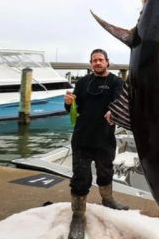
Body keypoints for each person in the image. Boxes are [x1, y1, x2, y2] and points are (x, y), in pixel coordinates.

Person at [64, 48, 128, 239]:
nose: (97, 63)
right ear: (91, 64)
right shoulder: (83, 82)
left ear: (107, 62)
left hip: (105, 139)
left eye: (101, 60)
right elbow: (74, 110)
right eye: (94, 60)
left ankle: (108, 200)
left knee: (106, 172)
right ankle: (77, 216)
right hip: (82, 138)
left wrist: (113, 111)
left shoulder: (117, 82)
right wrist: (68, 103)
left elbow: (120, 101)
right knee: (80, 179)